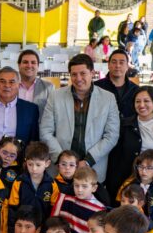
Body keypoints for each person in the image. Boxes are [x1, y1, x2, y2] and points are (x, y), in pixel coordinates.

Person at [40, 54, 120, 184]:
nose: (78, 79)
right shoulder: (56, 96)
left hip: (93, 167)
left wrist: (88, 160)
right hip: (59, 169)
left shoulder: (108, 98)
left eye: (83, 73)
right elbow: (45, 131)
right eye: (74, 74)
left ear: (92, 73)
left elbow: (112, 135)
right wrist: (64, 161)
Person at [106, 86, 153, 200]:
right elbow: (115, 157)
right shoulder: (124, 125)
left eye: (146, 101)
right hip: (128, 182)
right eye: (137, 101)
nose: (141, 105)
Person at [7, 141, 58, 233]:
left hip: (43, 231)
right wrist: (12, 231)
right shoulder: (19, 182)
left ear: (47, 163)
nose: (34, 169)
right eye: (30, 164)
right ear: (26, 162)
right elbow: (12, 209)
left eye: (38, 165)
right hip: (22, 230)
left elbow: (53, 212)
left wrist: (47, 230)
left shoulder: (52, 184)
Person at [116, 150, 153, 233]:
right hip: (127, 228)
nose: (143, 171)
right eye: (141, 166)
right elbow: (118, 205)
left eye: (149, 168)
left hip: (147, 232)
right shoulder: (128, 183)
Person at [51, 166, 105, 233]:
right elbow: (54, 223)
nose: (79, 190)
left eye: (84, 186)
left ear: (94, 188)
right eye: (76, 185)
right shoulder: (66, 200)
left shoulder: (99, 209)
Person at [95, 50, 139, 119]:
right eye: (114, 62)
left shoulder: (135, 90)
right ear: (108, 65)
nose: (117, 66)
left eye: (121, 62)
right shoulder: (96, 87)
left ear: (127, 66)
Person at [17, 50, 55, 118]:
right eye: (25, 62)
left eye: (33, 62)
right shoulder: (10, 86)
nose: (29, 65)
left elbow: (52, 114)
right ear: (19, 65)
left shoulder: (48, 88)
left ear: (38, 66)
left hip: (39, 127)